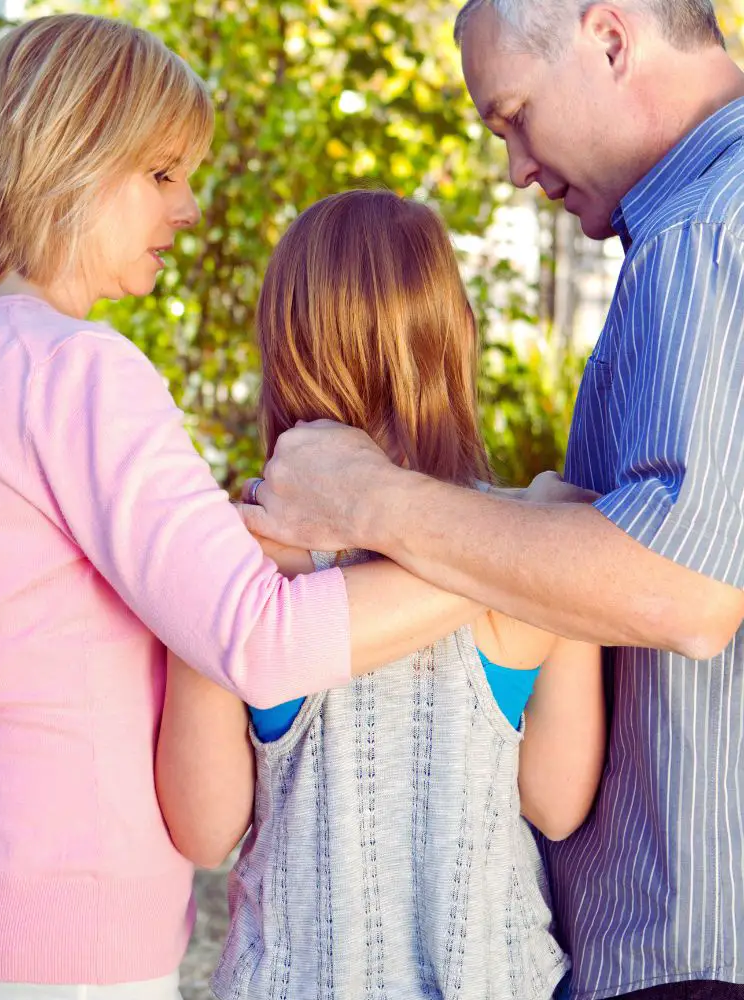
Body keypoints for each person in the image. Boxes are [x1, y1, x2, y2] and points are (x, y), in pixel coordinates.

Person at [0, 15, 498, 998]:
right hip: (66, 945)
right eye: (161, 175)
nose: (190, 208)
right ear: (72, 154)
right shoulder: (76, 370)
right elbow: (256, 635)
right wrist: (517, 549)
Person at [238, 2, 744, 999]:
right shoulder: (681, 239)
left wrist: (369, 503)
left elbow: (686, 592)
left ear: (608, 37)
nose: (514, 165)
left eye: (511, 113)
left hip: (690, 947)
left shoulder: (703, 233)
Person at [158, 190, 606, 1000]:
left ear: (286, 349)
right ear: (453, 336)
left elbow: (203, 828)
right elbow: (559, 803)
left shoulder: (240, 560)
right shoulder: (533, 552)